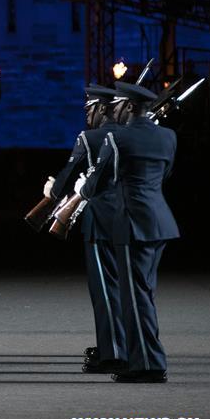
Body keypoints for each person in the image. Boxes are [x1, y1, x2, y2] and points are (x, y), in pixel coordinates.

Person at [79, 82, 178, 384]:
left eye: (119, 105)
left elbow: (93, 186)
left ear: (131, 107)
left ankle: (148, 364)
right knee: (144, 294)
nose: (114, 110)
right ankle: (143, 357)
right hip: (160, 221)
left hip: (131, 224)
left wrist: (81, 185)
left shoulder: (116, 137)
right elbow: (166, 174)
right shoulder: (168, 136)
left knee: (134, 297)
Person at [46, 85, 127, 374]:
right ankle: (122, 346)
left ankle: (113, 353)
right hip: (129, 218)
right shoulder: (128, 136)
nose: (87, 116)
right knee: (126, 288)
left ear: (101, 108)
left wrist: (52, 190)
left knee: (104, 289)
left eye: (89, 109)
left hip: (101, 219)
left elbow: (67, 176)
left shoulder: (90, 138)